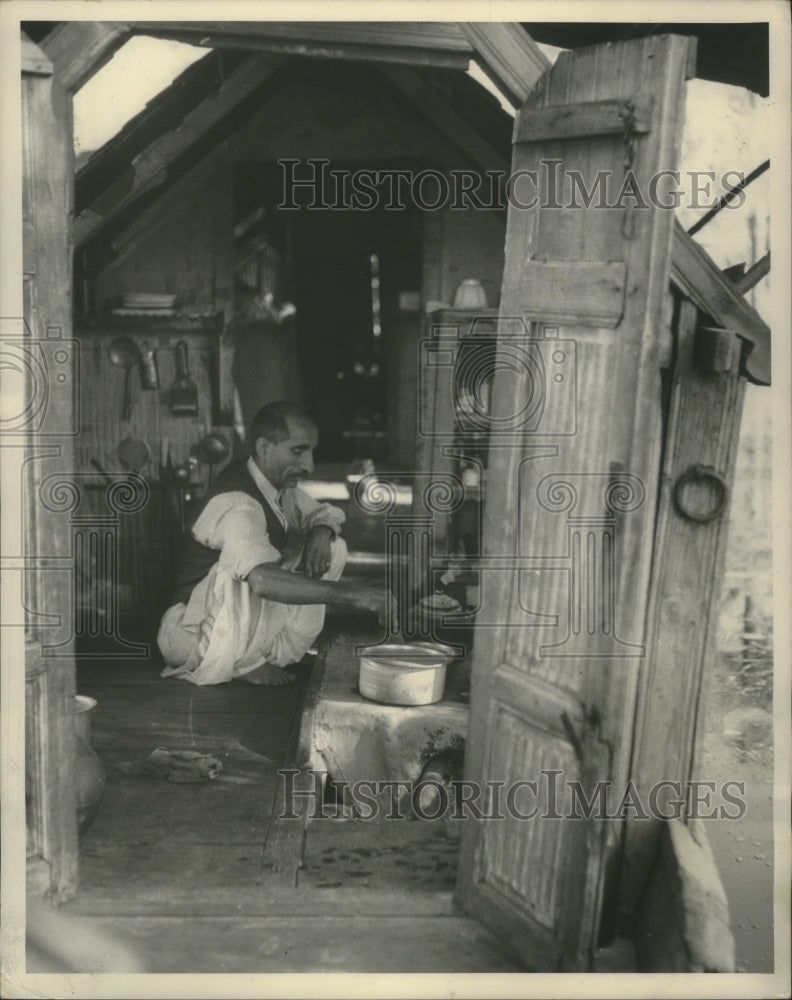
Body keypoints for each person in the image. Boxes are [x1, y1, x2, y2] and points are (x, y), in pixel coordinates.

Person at [157, 401, 394, 686]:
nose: (309, 465)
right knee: (250, 572)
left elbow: (323, 513)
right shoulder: (237, 502)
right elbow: (262, 583)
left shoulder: (272, 483)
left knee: (333, 547)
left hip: (229, 624)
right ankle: (245, 663)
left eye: (310, 451)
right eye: (298, 451)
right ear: (264, 448)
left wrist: (320, 530)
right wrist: (357, 595)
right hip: (191, 635)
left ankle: (279, 652)